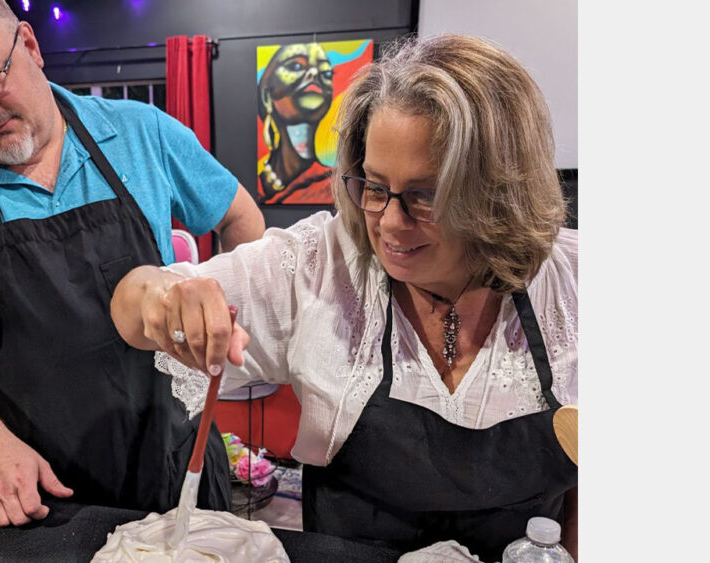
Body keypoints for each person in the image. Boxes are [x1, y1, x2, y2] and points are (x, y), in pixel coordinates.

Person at [111, 34, 577, 561]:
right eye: (375, 187)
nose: (391, 225)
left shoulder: (573, 283)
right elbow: (131, 305)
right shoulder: (320, 265)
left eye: (425, 196)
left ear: (497, 192)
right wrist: (163, 294)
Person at [0, 0, 265, 528]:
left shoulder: (141, 133)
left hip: (178, 459)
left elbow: (241, 216)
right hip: (40, 489)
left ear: (31, 46)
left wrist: (219, 316)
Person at [257, 42, 335, 204]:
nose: (314, 73)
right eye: (296, 66)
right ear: (266, 94)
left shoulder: (333, 184)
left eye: (326, 73)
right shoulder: (252, 189)